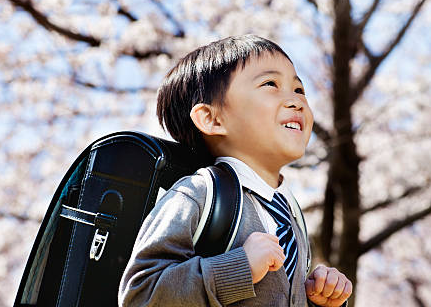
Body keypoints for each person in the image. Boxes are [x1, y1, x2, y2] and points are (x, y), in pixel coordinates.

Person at [119, 35, 352, 306]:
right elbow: (141, 295)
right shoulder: (198, 194)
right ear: (212, 119)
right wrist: (239, 268)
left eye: (299, 90)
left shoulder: (290, 213)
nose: (296, 101)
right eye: (270, 84)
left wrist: (318, 301)